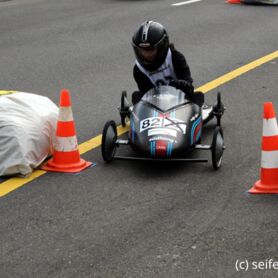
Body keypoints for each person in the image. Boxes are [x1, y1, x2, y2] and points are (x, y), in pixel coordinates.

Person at [131, 20, 204, 106]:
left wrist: (180, 85)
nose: (147, 54)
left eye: (151, 50)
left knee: (198, 96)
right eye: (143, 51)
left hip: (180, 100)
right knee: (136, 96)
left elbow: (188, 85)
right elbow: (146, 93)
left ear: (162, 46)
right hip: (156, 103)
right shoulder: (139, 69)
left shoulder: (175, 57)